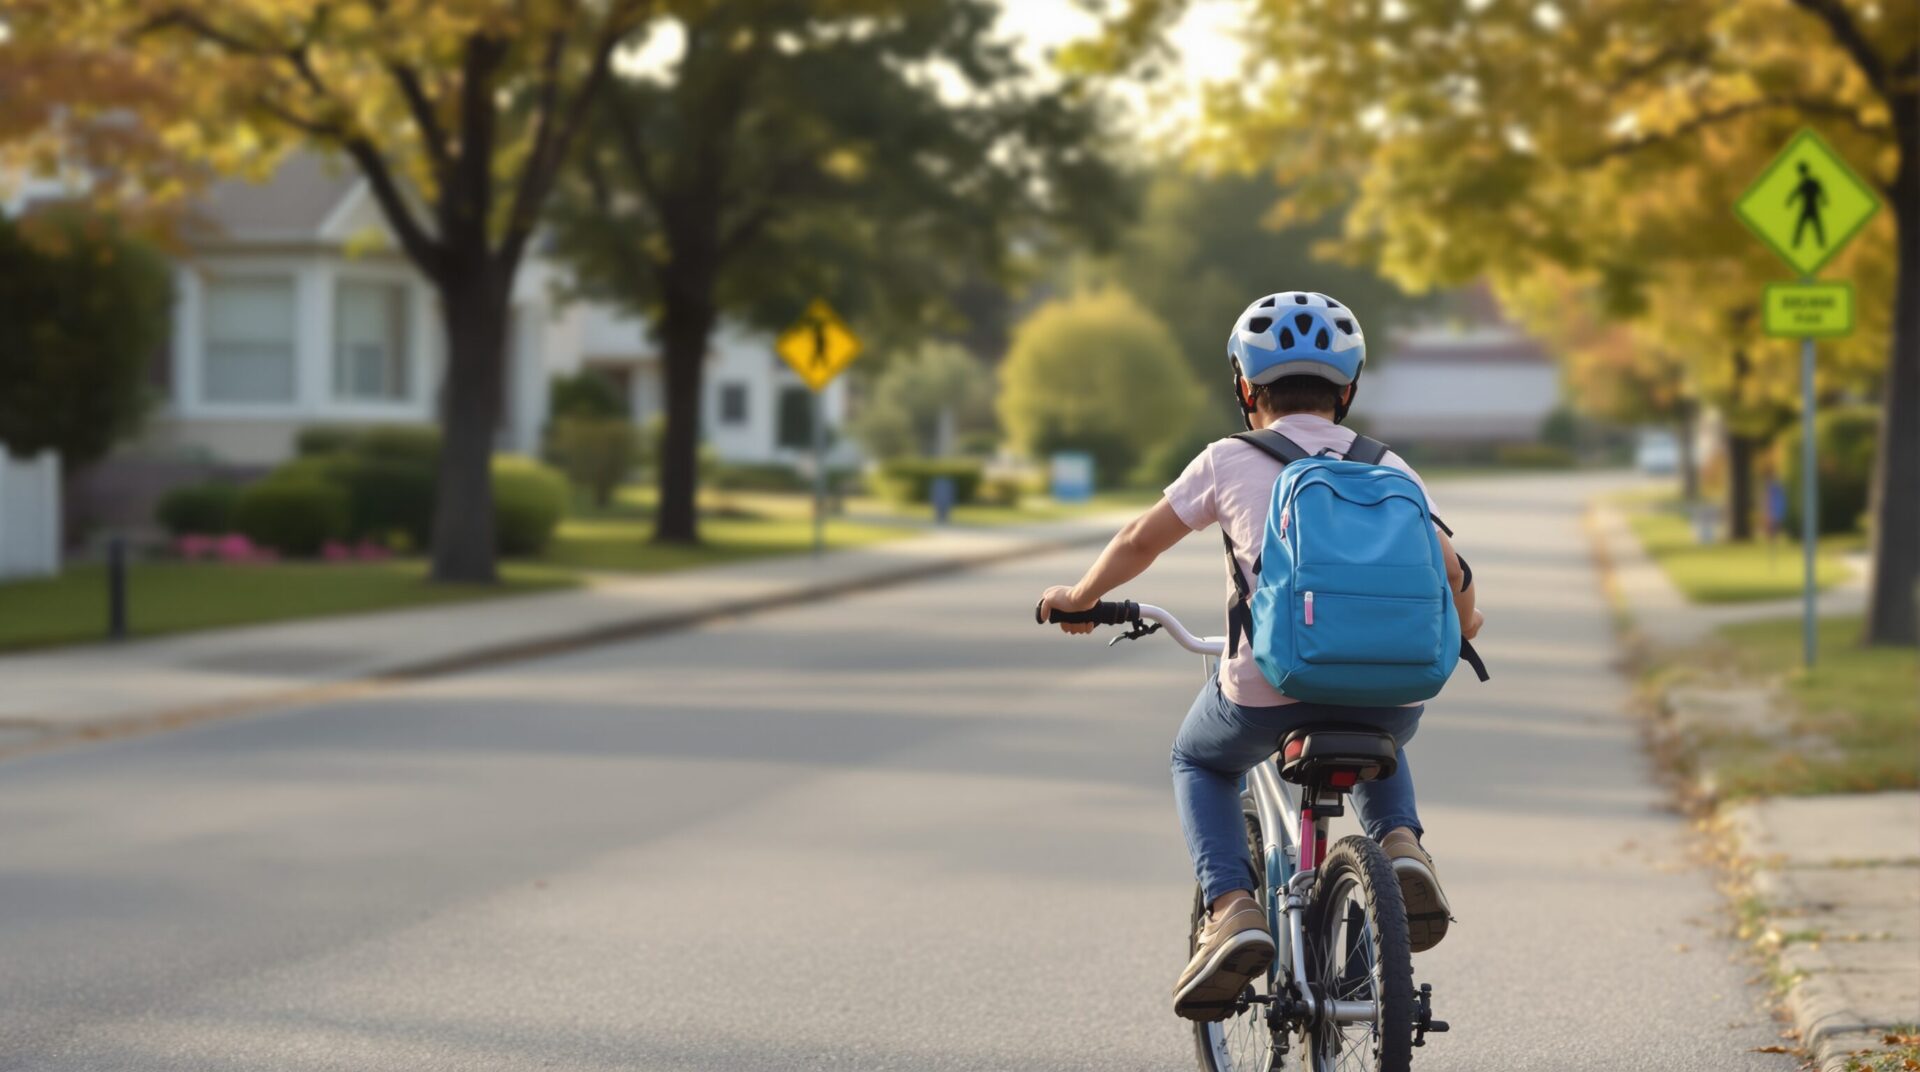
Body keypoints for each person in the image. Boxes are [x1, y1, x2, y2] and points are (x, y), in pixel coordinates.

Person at [1035, 291, 1483, 1022]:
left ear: (1246, 387)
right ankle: (1401, 847)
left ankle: (1232, 907)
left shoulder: (1227, 459)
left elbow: (1139, 541)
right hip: (1396, 690)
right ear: (1348, 389)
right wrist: (1469, 624)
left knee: (1199, 761)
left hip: (1269, 686)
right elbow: (1450, 569)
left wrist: (1082, 596)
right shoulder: (1390, 466)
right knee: (1380, 729)